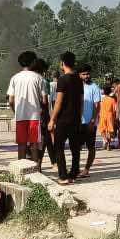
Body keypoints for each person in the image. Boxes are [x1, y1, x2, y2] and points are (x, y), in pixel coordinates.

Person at [48, 52, 83, 185]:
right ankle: (74, 174)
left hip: (63, 119)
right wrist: (79, 117)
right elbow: (81, 101)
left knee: (59, 147)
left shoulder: (63, 79)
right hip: (75, 119)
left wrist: (52, 119)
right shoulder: (79, 79)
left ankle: (63, 176)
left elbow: (58, 101)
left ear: (62, 63)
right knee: (75, 148)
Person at [7, 51, 46, 166]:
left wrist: (16, 111)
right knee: (34, 144)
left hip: (20, 116)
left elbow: (10, 100)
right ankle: (35, 169)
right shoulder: (39, 78)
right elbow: (44, 100)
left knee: (21, 145)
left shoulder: (14, 78)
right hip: (34, 116)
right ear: (33, 62)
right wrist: (42, 111)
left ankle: (21, 170)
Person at [79, 64, 101, 177]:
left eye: (88, 73)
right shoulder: (76, 87)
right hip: (78, 122)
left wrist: (92, 120)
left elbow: (97, 106)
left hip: (89, 123)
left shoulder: (94, 87)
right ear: (79, 75)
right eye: (84, 74)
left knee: (90, 146)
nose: (86, 76)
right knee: (76, 146)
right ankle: (75, 168)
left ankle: (87, 169)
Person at [98, 81, 117, 151]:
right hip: (110, 116)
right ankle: (108, 146)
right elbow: (114, 110)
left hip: (102, 115)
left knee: (101, 130)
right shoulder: (112, 99)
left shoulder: (101, 99)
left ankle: (105, 140)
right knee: (109, 131)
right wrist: (115, 118)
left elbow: (98, 108)